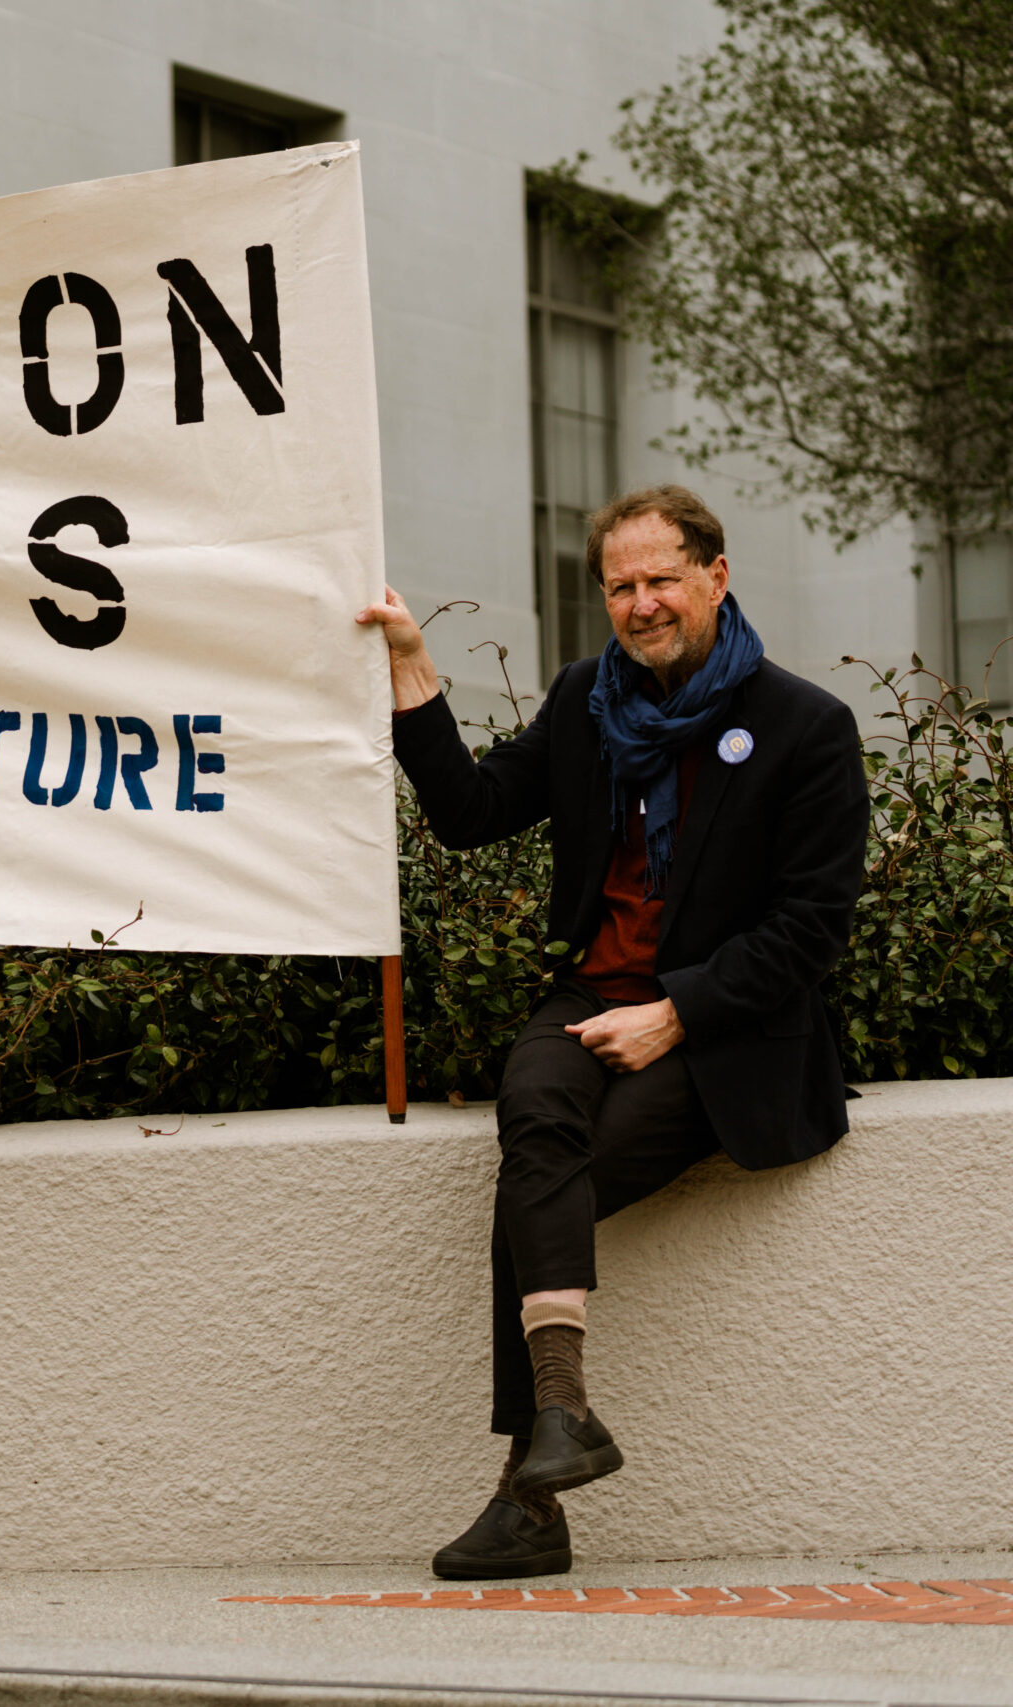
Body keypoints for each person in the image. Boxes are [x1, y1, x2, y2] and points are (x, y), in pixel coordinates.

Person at [356, 485, 868, 1580]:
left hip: (727, 1034)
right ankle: (559, 1433)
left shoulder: (805, 728)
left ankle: (529, 1501)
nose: (639, 605)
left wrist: (675, 1014)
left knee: (540, 1184)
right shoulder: (589, 699)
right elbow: (471, 813)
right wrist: (410, 668)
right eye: (619, 586)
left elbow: (809, 929)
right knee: (533, 1105)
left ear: (715, 578)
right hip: (589, 995)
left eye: (660, 580)